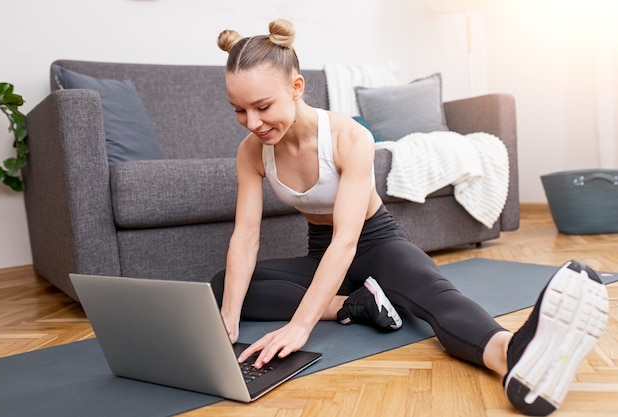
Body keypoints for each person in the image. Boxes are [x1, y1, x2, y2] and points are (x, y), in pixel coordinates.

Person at [210, 19, 609, 416]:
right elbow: (245, 236)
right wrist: (228, 320)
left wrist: (300, 326)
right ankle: (355, 305)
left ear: (296, 88)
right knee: (223, 285)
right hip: (321, 254)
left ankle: (512, 357)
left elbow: (347, 241)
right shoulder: (251, 152)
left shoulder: (349, 138)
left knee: (436, 297)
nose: (252, 122)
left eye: (262, 107)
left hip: (374, 243)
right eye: (239, 111)